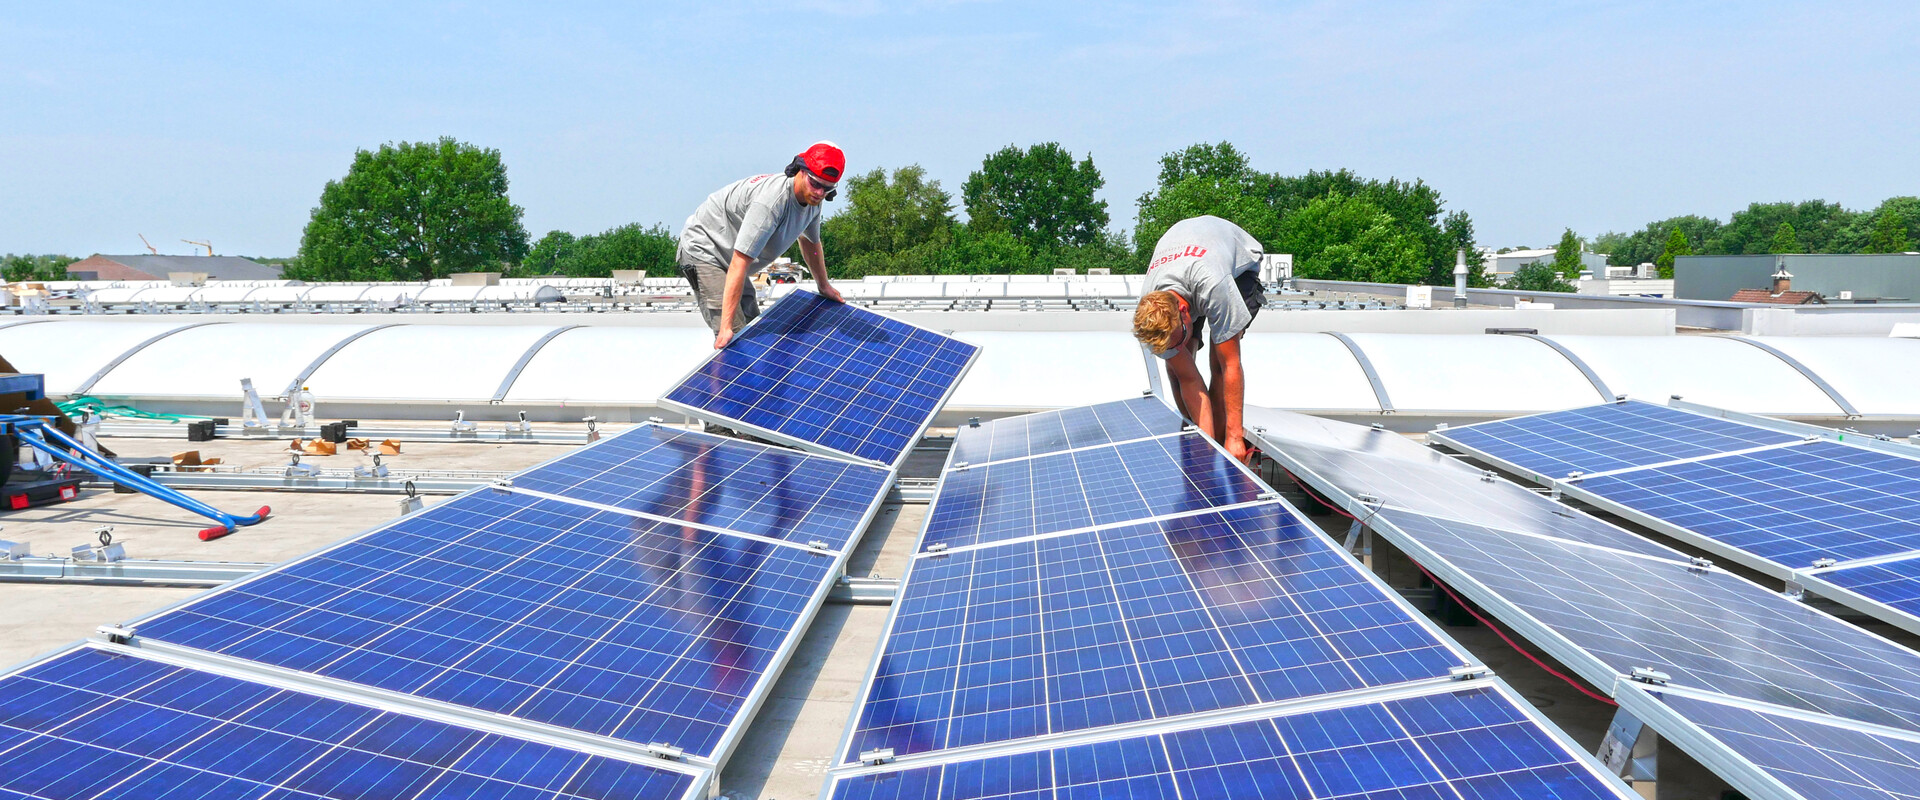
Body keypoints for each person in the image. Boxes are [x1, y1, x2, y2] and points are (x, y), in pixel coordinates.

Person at [677, 141, 847, 349]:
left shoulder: (813, 200)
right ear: (801, 172)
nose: (820, 193)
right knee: (737, 339)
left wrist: (824, 285)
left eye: (827, 188)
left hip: (730, 256)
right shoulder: (771, 203)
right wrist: (725, 328)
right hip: (706, 249)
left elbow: (811, 242)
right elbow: (740, 262)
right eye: (816, 184)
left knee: (753, 329)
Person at [1131, 215, 1265, 463]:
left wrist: (1234, 438)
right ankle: (1201, 436)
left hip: (1237, 267)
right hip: (1187, 263)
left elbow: (1231, 366)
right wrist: (1204, 447)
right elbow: (1188, 378)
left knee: (1219, 359)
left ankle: (1223, 438)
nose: (1177, 348)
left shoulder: (1214, 286)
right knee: (1178, 368)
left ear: (1185, 313)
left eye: (1177, 340)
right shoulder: (1150, 311)